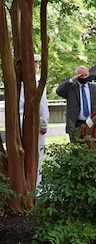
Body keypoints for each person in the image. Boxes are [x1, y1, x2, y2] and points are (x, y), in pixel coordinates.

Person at [19, 54, 50, 190]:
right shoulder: (36, 81)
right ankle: (35, 187)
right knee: (37, 154)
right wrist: (44, 123)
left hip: (20, 122)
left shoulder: (17, 80)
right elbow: (42, 104)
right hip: (34, 123)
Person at [56, 65, 96, 142]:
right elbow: (59, 91)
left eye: (85, 75)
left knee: (92, 147)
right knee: (76, 148)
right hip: (76, 123)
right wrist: (71, 80)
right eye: (81, 75)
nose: (84, 77)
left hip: (92, 122)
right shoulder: (71, 88)